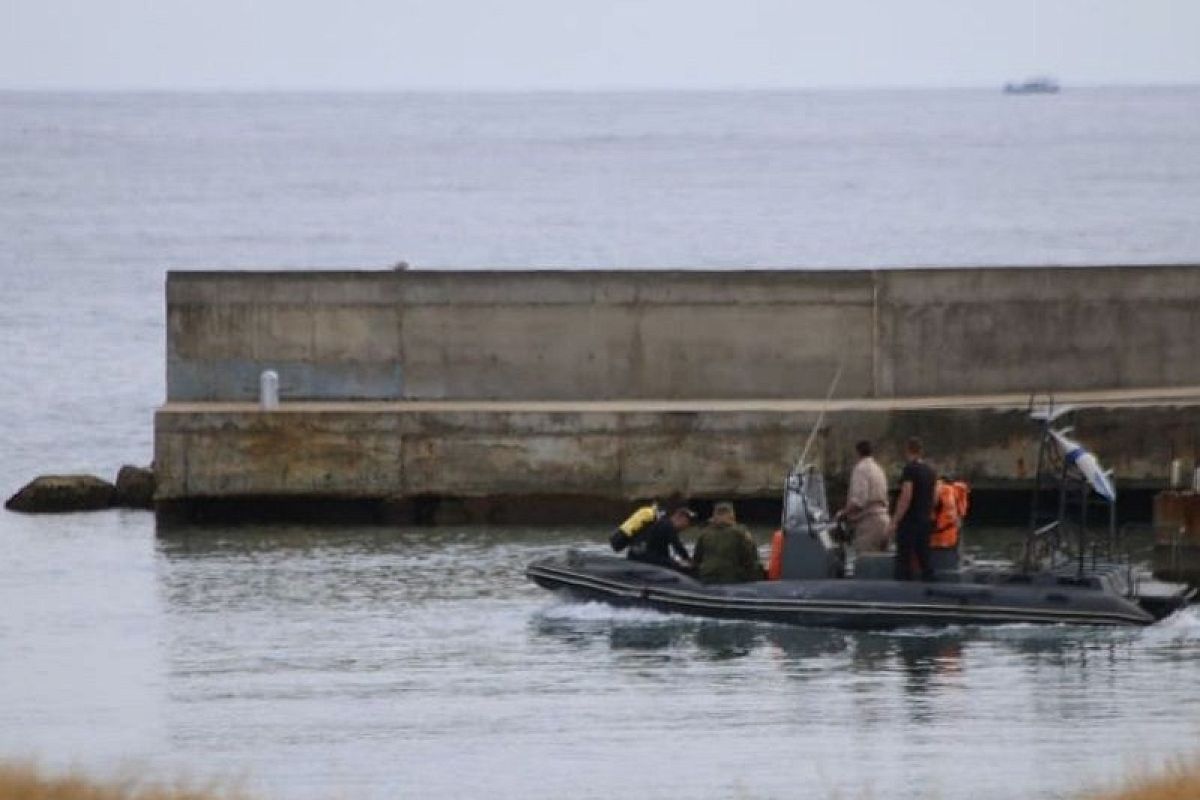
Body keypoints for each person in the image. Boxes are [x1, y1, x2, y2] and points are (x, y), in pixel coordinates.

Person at [886, 437, 937, 581]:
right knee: (924, 557)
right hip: (925, 521)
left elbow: (906, 496)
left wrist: (895, 520)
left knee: (904, 559)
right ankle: (929, 585)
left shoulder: (910, 469)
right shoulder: (930, 471)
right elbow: (934, 498)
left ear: (908, 450)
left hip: (909, 522)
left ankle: (903, 589)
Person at [835, 440, 890, 552]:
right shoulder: (879, 469)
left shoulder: (861, 469)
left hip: (869, 524)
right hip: (885, 522)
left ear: (858, 453)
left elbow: (859, 501)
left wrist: (842, 513)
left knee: (864, 563)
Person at [692, 501, 762, 584]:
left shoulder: (704, 533)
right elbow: (751, 558)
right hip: (731, 579)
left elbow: (697, 559)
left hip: (707, 578)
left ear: (714, 515)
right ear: (732, 515)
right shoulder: (741, 533)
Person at [625, 505, 696, 571]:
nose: (687, 526)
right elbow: (678, 546)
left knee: (673, 562)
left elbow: (663, 551)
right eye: (687, 522)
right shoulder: (668, 526)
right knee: (678, 565)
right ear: (679, 517)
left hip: (635, 555)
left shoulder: (661, 523)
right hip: (645, 558)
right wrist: (688, 560)